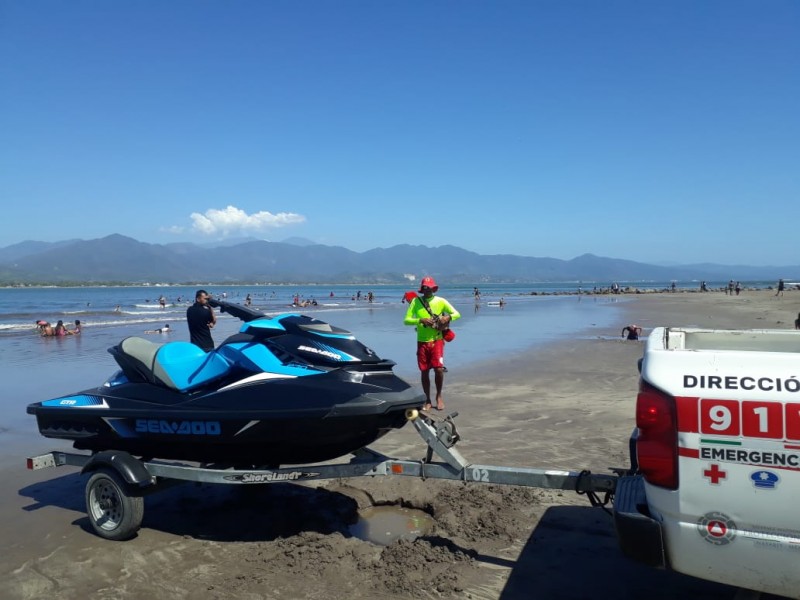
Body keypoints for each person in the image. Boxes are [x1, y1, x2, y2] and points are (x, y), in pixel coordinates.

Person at [404, 276, 461, 412]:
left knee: (439, 369)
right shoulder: (416, 302)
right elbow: (406, 320)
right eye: (425, 288)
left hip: (437, 340)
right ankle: (427, 399)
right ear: (422, 289)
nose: (427, 290)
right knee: (424, 371)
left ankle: (439, 396)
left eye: (429, 288)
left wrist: (448, 317)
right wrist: (420, 320)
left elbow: (457, 313)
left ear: (434, 289)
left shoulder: (441, 301)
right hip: (422, 341)